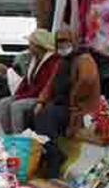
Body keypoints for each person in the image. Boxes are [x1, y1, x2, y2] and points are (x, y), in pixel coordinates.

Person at [35, 44, 102, 179]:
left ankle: (54, 157)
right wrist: (40, 102)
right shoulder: (62, 61)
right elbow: (50, 85)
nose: (62, 45)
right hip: (60, 104)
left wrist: (75, 97)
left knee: (48, 116)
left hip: (78, 109)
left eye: (65, 41)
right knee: (39, 114)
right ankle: (51, 153)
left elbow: (87, 81)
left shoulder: (84, 59)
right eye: (59, 42)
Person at [0, 29, 60, 134]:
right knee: (3, 102)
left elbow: (43, 86)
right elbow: (26, 80)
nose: (29, 47)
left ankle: (19, 137)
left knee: (17, 106)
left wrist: (21, 97)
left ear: (39, 46)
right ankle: (8, 136)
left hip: (42, 97)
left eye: (31, 44)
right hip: (31, 94)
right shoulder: (35, 59)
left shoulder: (53, 61)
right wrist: (17, 95)